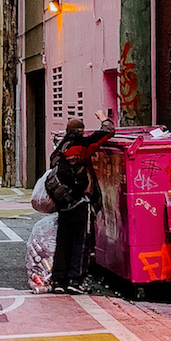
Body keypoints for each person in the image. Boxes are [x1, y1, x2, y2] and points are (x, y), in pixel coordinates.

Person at [47, 111, 115, 294]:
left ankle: (58, 281)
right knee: (81, 242)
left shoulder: (58, 150)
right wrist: (102, 118)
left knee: (63, 242)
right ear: (81, 132)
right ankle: (75, 282)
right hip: (80, 203)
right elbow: (108, 131)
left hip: (63, 204)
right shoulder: (82, 146)